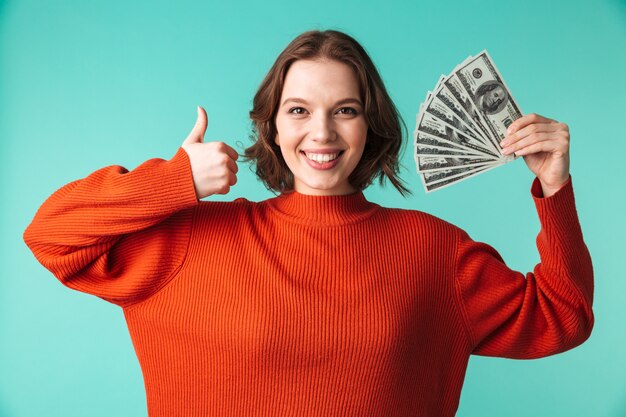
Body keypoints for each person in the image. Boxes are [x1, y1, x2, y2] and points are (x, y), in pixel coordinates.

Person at [23, 30, 594, 417]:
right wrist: (173, 182)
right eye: (298, 110)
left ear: (369, 125)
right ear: (272, 127)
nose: (321, 134)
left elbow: (562, 316)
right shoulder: (191, 238)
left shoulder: (431, 250)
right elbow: (50, 235)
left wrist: (554, 185)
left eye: (344, 110)